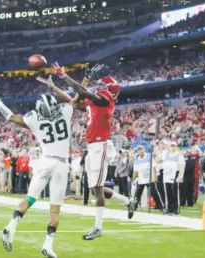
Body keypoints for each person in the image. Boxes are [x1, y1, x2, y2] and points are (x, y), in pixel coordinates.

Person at [37, 62, 135, 241]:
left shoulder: (105, 100)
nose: (98, 87)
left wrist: (64, 75)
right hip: (92, 147)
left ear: (107, 90)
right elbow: (73, 100)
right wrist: (53, 86)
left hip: (100, 145)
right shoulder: (95, 102)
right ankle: (128, 201)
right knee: (94, 189)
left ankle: (98, 227)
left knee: (97, 189)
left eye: (101, 86)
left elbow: (82, 91)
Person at [0, 83, 73, 258]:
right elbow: (76, 99)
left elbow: (10, 117)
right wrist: (75, 81)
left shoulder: (34, 119)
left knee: (30, 198)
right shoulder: (66, 111)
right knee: (54, 210)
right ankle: (48, 245)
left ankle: (11, 226)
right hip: (62, 164)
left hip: (45, 162)